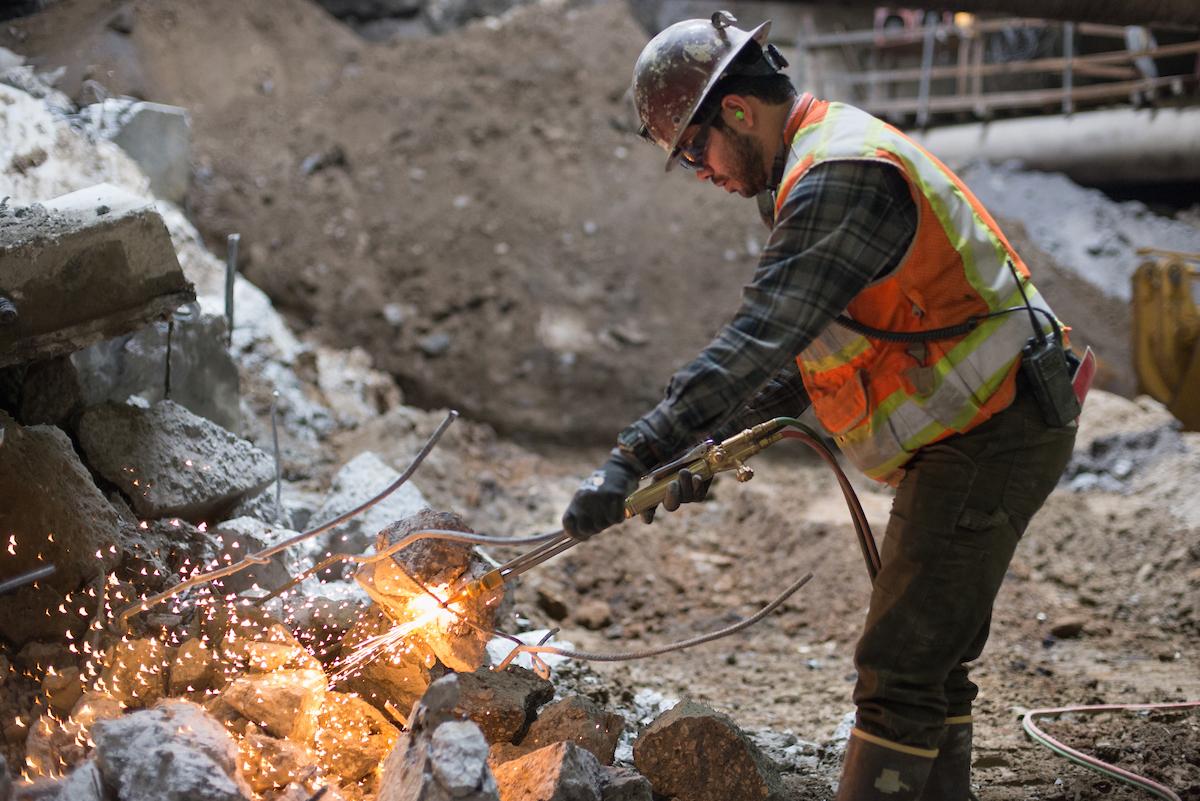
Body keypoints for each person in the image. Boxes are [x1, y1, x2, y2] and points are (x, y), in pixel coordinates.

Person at [560, 11, 1081, 800]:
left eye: (694, 149)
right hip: (982, 424)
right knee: (926, 655)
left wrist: (635, 450)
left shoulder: (841, 176)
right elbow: (803, 364)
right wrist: (693, 453)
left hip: (997, 422)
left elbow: (759, 339)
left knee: (900, 662)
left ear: (737, 111)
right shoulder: (813, 170)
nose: (700, 172)